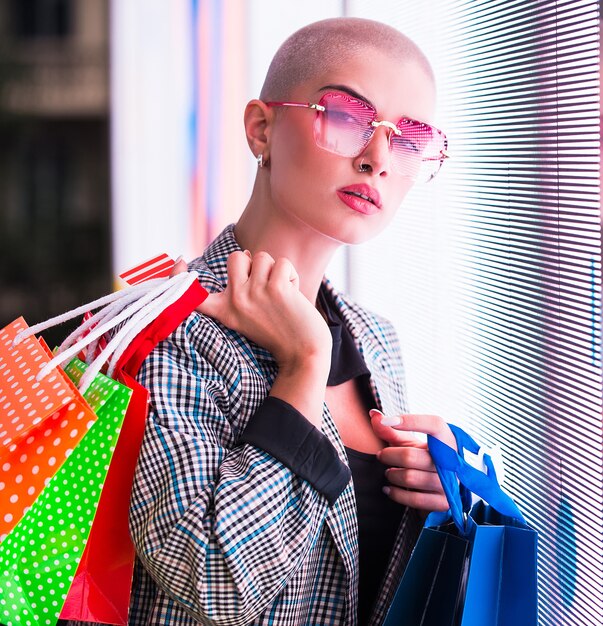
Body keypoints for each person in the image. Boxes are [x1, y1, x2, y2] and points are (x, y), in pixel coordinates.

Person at [128, 16, 455, 626]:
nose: (377, 159)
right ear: (262, 128)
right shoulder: (165, 328)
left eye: (409, 139)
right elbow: (215, 585)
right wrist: (304, 369)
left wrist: (436, 492)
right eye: (346, 116)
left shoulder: (376, 339)